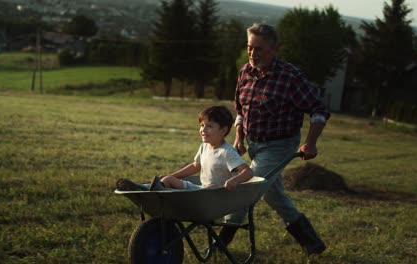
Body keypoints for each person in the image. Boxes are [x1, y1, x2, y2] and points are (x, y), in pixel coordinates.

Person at [221, 23, 331, 255]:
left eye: (259, 49)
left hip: (280, 146)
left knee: (247, 188)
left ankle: (221, 242)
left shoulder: (290, 77)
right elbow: (241, 110)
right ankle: (312, 243)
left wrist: (310, 142)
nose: (253, 53)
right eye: (250, 47)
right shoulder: (245, 73)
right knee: (273, 194)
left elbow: (319, 109)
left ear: (274, 49)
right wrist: (239, 139)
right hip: (254, 144)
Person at [116, 105, 253, 192]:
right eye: (201, 125)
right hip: (200, 190)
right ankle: (143, 188)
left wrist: (234, 180)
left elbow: (248, 172)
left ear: (223, 130)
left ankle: (152, 190)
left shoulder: (227, 152)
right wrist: (172, 176)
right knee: (167, 180)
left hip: (211, 196)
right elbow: (195, 166)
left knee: (167, 187)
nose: (203, 130)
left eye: (209, 126)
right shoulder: (204, 146)